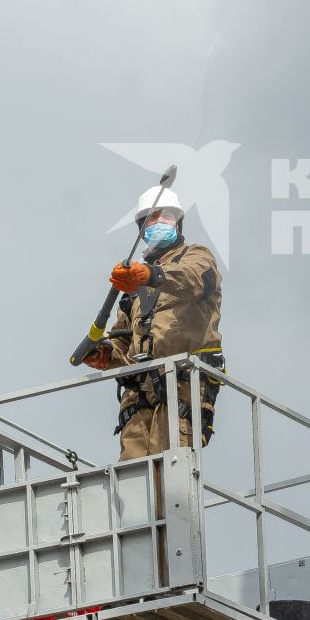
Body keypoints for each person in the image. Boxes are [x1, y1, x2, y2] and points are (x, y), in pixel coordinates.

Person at [83, 184, 224, 459]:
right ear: (141, 228)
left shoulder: (197, 257)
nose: (159, 221)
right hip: (139, 398)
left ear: (178, 223)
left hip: (181, 387)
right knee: (133, 483)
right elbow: (123, 343)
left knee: (173, 473)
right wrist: (105, 354)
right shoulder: (134, 283)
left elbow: (193, 278)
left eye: (166, 216)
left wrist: (150, 274)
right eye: (151, 217)